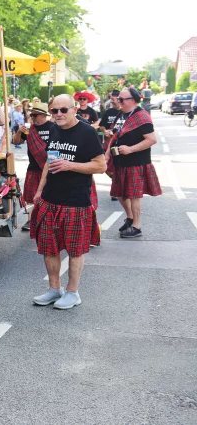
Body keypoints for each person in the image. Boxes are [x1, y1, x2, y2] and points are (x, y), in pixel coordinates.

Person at [30, 95, 106, 309]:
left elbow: (101, 166)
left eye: (64, 110)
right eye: (54, 111)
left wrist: (70, 165)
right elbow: (49, 162)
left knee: (75, 250)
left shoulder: (88, 132)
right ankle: (55, 289)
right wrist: (39, 190)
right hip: (49, 199)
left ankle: (73, 292)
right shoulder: (54, 129)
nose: (59, 114)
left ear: (74, 110)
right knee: (49, 248)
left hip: (75, 201)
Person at [108, 88, 162, 238]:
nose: (118, 101)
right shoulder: (122, 114)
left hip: (136, 162)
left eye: (121, 99)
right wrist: (107, 153)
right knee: (119, 193)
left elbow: (152, 139)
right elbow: (114, 136)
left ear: (132, 100)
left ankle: (136, 226)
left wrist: (130, 149)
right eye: (118, 99)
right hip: (120, 161)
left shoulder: (142, 116)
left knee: (134, 195)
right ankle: (130, 218)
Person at [12, 101, 54, 231]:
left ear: (43, 115)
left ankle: (49, 220)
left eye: (35, 115)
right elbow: (16, 141)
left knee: (51, 196)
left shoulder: (53, 127)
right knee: (31, 197)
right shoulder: (29, 128)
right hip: (33, 167)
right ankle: (31, 220)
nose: (32, 117)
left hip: (50, 168)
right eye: (31, 115)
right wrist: (19, 132)